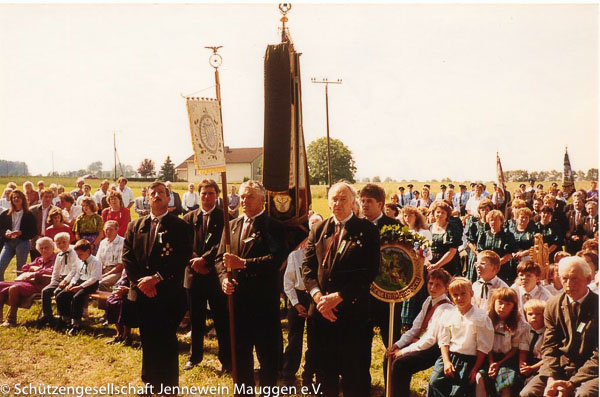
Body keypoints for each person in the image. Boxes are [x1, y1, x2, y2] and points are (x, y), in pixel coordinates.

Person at [301, 181, 380, 397]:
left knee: (355, 375)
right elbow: (307, 268)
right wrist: (318, 298)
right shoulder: (318, 230)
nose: (338, 203)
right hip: (321, 316)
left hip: (352, 315)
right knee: (324, 375)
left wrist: (340, 296)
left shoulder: (367, 231)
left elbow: (370, 271)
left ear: (353, 202)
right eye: (334, 198)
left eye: (343, 198)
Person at [216, 180, 288, 390]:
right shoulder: (232, 225)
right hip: (237, 302)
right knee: (240, 355)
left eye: (249, 197)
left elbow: (276, 259)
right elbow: (220, 257)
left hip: (263, 302)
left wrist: (244, 264)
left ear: (261, 199)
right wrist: (223, 279)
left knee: (267, 357)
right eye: (242, 197)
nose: (244, 201)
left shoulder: (273, 226)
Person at [123, 181, 192, 391]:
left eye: (161, 192)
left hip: (168, 293)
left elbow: (181, 258)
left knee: (167, 339)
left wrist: (156, 278)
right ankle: (150, 383)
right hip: (143, 293)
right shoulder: (136, 225)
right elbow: (128, 257)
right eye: (152, 193)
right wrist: (140, 282)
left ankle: (169, 386)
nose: (156, 195)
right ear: (147, 198)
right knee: (148, 338)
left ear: (168, 197)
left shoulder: (180, 226)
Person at [520, 256, 598, 397]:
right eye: (564, 278)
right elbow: (549, 346)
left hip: (591, 372)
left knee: (584, 394)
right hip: (559, 368)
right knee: (528, 393)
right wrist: (551, 379)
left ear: (588, 279)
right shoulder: (553, 305)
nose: (568, 284)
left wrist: (572, 383)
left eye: (574, 279)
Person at [182, 179, 231, 373]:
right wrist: (195, 261)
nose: (207, 197)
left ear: (217, 195)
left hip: (214, 275)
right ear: (199, 195)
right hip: (193, 275)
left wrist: (206, 260)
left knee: (221, 319)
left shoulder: (225, 218)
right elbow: (183, 245)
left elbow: (222, 243)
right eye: (204, 193)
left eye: (211, 193)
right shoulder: (188, 218)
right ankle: (194, 356)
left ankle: (226, 359)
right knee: (196, 319)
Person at [386, 268, 453, 397]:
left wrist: (404, 351)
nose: (432, 287)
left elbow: (429, 339)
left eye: (438, 285)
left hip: (435, 348)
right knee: (389, 356)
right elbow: (415, 329)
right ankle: (390, 392)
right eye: (430, 283)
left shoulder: (446, 308)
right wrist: (398, 345)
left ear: (446, 288)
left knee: (401, 364)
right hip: (422, 342)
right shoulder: (428, 300)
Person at [428, 277, 494, 397]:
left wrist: (475, 368)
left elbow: (483, 347)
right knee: (435, 383)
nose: (459, 298)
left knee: (457, 392)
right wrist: (447, 362)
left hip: (470, 360)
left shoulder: (481, 317)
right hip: (450, 356)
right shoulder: (449, 314)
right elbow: (444, 340)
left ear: (471, 293)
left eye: (463, 294)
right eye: (455, 295)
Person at [475, 287, 525, 397]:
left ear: (514, 306)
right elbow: (485, 344)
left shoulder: (518, 322)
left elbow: (514, 349)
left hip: (507, 358)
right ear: (494, 302)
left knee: (505, 382)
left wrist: (499, 364)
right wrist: (491, 362)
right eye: (500, 303)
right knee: (480, 377)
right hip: (489, 356)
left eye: (508, 305)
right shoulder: (487, 318)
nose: (503, 307)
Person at [0, 237, 56, 326]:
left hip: (42, 285)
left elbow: (52, 271)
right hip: (28, 283)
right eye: (41, 248)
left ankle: (11, 320)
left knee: (14, 288)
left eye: (47, 247)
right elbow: (24, 267)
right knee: (1, 284)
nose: (44, 250)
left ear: (53, 247)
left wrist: (36, 273)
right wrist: (32, 268)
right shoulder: (39, 259)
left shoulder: (56, 259)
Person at [281, 239, 316, 385]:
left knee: (315, 338)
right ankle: (288, 374)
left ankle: (309, 373)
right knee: (294, 337)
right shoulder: (295, 256)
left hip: (315, 296)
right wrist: (296, 304)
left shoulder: (320, 255)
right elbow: (288, 282)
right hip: (298, 295)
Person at [55, 239, 102, 335]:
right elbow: (77, 274)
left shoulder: (96, 262)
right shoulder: (80, 261)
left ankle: (76, 324)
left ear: (88, 251)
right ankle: (66, 319)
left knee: (77, 297)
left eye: (80, 254)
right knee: (61, 295)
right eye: (77, 255)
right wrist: (72, 283)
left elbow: (93, 278)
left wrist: (80, 287)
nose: (79, 257)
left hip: (90, 284)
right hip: (80, 282)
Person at [37, 232, 79, 328]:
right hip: (59, 279)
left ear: (68, 242)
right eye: (58, 243)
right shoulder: (59, 255)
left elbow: (74, 269)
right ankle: (47, 316)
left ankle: (63, 317)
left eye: (64, 242)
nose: (61, 245)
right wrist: (53, 282)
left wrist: (65, 281)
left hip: (70, 279)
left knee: (58, 292)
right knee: (45, 291)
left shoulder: (74, 253)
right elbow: (55, 271)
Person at [0, 190, 37, 280]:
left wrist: (21, 233)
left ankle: (19, 288)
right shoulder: (5, 214)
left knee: (20, 268)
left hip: (22, 242)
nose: (16, 199)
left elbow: (33, 232)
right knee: (1, 265)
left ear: (23, 199)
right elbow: (1, 228)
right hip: (8, 243)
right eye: (14, 197)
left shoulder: (29, 214)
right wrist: (5, 233)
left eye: (18, 197)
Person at [476, 210, 517, 285]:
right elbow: (480, 252)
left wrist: (495, 265)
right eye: (491, 220)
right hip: (486, 268)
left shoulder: (508, 235)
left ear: (501, 222)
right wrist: (487, 266)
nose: (493, 222)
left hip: (503, 268)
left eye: (496, 220)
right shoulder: (483, 235)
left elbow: (508, 255)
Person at [428, 200, 463, 276]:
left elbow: (452, 251)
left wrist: (437, 265)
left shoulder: (452, 228)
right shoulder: (428, 227)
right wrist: (427, 263)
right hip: (429, 264)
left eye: (443, 213)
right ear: (433, 213)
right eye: (438, 212)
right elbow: (423, 248)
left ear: (447, 215)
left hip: (447, 264)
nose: (440, 214)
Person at [518, 299, 546, 385]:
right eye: (530, 314)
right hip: (530, 361)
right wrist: (522, 364)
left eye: (538, 314)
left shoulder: (547, 332)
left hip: (542, 363)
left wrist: (532, 368)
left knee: (531, 382)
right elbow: (523, 351)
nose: (533, 317)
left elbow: (548, 358)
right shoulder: (526, 330)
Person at [465, 199, 492, 282]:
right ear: (479, 211)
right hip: (476, 255)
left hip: (489, 256)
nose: (485, 212)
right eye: (482, 210)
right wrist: (478, 254)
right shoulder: (474, 224)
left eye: (487, 210)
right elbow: (469, 242)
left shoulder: (493, 224)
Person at [29, 189, 59, 260]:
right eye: (46, 197)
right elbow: (29, 226)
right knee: (35, 262)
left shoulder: (56, 210)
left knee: (49, 263)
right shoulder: (32, 210)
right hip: (35, 240)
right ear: (41, 197)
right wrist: (35, 236)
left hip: (50, 241)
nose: (48, 199)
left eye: (50, 197)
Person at [96, 220, 125, 292]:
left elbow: (121, 265)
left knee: (101, 283)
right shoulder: (103, 242)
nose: (108, 232)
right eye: (106, 230)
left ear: (117, 229)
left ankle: (108, 302)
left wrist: (105, 275)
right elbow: (98, 261)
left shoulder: (123, 242)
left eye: (111, 230)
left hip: (116, 272)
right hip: (103, 270)